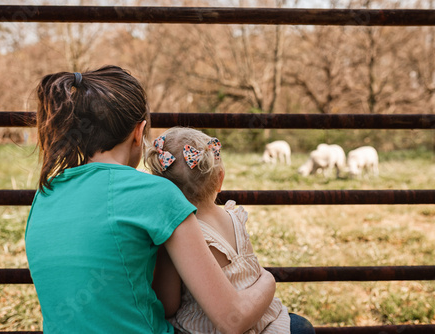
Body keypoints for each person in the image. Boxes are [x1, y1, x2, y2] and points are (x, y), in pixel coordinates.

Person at [24, 66, 277, 334]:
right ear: (139, 132)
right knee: (298, 325)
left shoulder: (45, 193)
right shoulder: (155, 192)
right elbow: (232, 319)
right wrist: (268, 279)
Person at [145, 126, 315, 334]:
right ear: (220, 179)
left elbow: (168, 303)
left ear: (161, 189)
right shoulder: (235, 217)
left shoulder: (178, 235)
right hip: (267, 322)